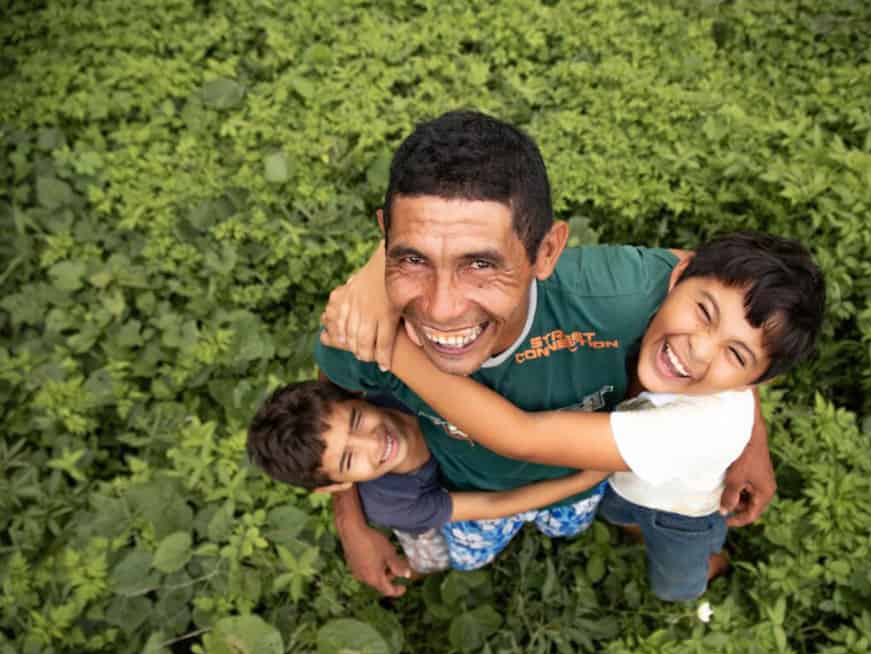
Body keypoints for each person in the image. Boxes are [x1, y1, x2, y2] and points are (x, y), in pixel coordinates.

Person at [316, 109, 776, 596]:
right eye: (412, 258)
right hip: (469, 492)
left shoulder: (620, 298)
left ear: (548, 251)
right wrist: (352, 524)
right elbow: (330, 406)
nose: (441, 308)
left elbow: (737, 308)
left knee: (570, 520)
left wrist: (750, 436)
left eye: (481, 264)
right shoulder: (362, 328)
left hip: (579, 482)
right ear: (384, 233)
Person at [377, 232, 826, 600]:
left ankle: (706, 572)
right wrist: (370, 281)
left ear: (750, 385)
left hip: (682, 507)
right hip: (616, 477)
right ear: (678, 276)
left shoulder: (698, 430)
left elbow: (520, 435)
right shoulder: (655, 289)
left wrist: (391, 346)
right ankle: (629, 527)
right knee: (619, 509)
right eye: (704, 312)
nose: (699, 348)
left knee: (678, 573)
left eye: (735, 354)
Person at [247, 380, 608, 574]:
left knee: (567, 521)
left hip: (492, 474)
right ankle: (417, 557)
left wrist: (577, 485)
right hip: (461, 509)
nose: (372, 442)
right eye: (348, 458)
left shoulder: (403, 387)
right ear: (338, 485)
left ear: (357, 396)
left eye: (357, 421)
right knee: (465, 555)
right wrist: (585, 477)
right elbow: (495, 504)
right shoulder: (391, 502)